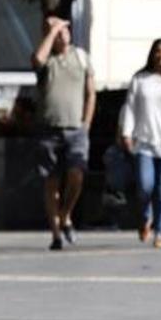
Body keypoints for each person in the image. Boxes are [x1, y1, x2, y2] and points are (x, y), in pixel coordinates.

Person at [32, 13, 96, 251]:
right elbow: (37, 59)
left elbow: (91, 93)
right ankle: (56, 233)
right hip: (48, 128)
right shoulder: (47, 59)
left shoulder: (81, 57)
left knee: (76, 174)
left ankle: (65, 213)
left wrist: (86, 123)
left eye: (65, 30)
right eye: (57, 32)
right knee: (51, 182)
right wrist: (51, 30)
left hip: (75, 128)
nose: (62, 34)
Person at [119, 38, 161, 248]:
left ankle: (160, 233)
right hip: (144, 141)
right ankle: (146, 217)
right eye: (158, 51)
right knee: (145, 186)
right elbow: (129, 107)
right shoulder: (140, 79)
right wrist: (126, 133)